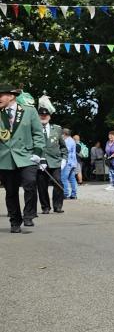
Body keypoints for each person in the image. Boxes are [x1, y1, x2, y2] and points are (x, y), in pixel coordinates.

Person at [0, 82, 45, 232]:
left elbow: (38, 134)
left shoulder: (29, 111)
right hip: (5, 158)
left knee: (30, 183)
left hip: (27, 156)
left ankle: (29, 215)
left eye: (1, 95)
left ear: (11, 96)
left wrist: (38, 153)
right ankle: (14, 221)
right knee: (11, 192)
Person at [35, 104, 66, 214]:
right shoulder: (33, 128)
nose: (43, 116)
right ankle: (45, 207)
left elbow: (63, 146)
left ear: (49, 117)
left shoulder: (57, 129)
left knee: (58, 182)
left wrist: (64, 159)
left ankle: (57, 206)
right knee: (42, 186)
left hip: (55, 161)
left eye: (46, 115)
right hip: (40, 162)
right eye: (41, 115)